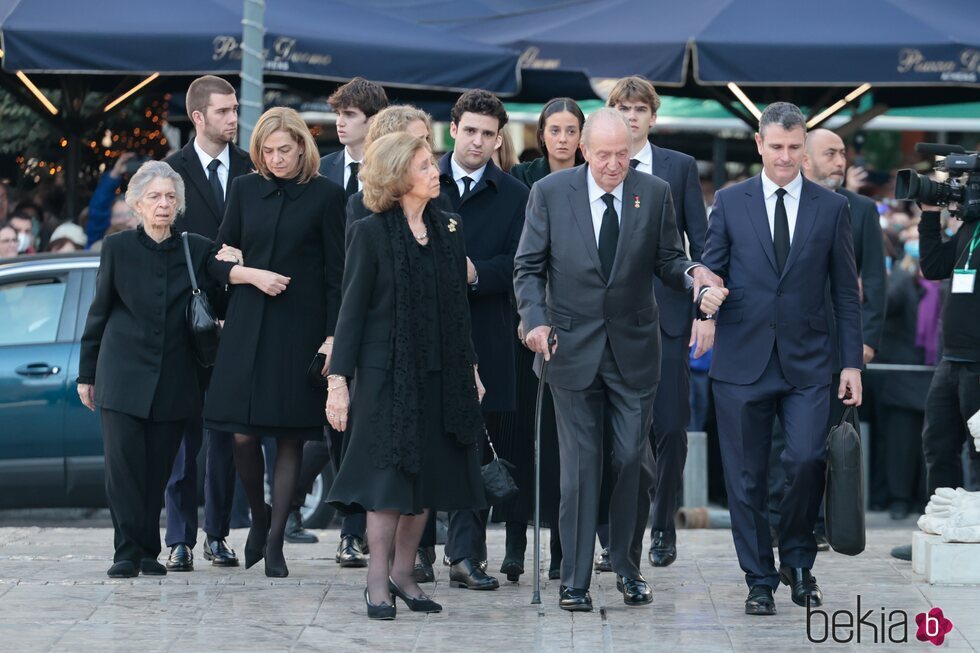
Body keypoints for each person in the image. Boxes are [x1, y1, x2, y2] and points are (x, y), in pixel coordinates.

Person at [514, 108, 718, 612]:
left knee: (632, 460)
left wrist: (696, 276)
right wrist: (535, 320)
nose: (613, 165)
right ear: (584, 151)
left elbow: (670, 258)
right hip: (570, 350)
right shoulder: (550, 193)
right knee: (580, 470)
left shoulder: (652, 193)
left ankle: (627, 566)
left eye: (621, 155)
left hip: (634, 350)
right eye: (603, 155)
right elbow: (528, 267)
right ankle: (575, 579)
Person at [699, 102, 863, 615]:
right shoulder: (729, 201)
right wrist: (703, 298)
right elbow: (710, 269)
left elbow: (845, 293)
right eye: (776, 147)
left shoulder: (832, 208)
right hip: (741, 359)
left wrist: (851, 362)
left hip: (809, 361)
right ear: (759, 145)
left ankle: (797, 559)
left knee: (808, 459)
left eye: (795, 147)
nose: (786, 156)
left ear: (804, 147)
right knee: (744, 477)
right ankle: (759, 579)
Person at [326, 132, 487, 619]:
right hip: (385, 377)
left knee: (426, 484)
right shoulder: (371, 231)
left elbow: (459, 309)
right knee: (387, 485)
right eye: (422, 166)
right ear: (397, 176)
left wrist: (473, 369)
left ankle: (404, 574)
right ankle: (377, 581)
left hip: (442, 373)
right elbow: (350, 313)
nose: (434, 171)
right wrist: (338, 382)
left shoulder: (450, 227)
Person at [75, 161, 240, 578]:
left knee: (158, 470)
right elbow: (98, 315)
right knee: (124, 469)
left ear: (178, 204)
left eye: (170, 197)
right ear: (137, 204)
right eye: (154, 197)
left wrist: (233, 267)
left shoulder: (196, 247)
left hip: (175, 378)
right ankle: (126, 552)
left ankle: (149, 551)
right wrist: (86, 374)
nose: (163, 204)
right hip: (121, 376)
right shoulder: (116, 249)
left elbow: (218, 303)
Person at [203, 107, 346, 578]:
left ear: (303, 147)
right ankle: (259, 514)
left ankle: (278, 535)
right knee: (241, 434)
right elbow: (217, 261)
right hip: (247, 324)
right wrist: (248, 274)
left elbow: (335, 275)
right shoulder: (243, 190)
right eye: (267, 150)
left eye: (285, 149)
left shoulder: (327, 194)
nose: (276, 157)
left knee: (289, 438)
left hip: (299, 329)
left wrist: (330, 337)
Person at [598, 75, 709, 571]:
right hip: (608, 322)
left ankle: (663, 525)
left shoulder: (678, 168)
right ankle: (615, 535)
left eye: (640, 108)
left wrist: (704, 306)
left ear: (653, 115)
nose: (631, 114)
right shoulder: (596, 163)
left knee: (669, 429)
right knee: (613, 436)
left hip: (668, 319)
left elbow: (698, 245)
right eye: (622, 106)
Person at [765, 128, 889, 547]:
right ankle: (777, 517)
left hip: (839, 344)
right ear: (806, 159)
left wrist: (864, 342)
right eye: (831, 153)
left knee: (828, 439)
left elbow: (872, 280)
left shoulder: (860, 209)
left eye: (843, 153)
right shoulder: (773, 203)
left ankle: (818, 522)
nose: (841, 161)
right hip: (782, 342)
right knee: (784, 440)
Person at [439, 89, 529, 591]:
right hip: (426, 332)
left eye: (488, 134)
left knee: (477, 445)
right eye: (469, 130)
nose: (477, 141)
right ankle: (413, 551)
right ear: (453, 129)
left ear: (499, 140)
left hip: (487, 333)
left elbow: (523, 262)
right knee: (425, 442)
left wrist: (476, 273)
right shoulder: (424, 178)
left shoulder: (516, 194)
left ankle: (466, 555)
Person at [162, 74, 252, 573]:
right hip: (185, 321)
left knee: (224, 435)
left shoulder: (250, 168)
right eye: (223, 111)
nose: (233, 118)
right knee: (182, 438)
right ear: (198, 117)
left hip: (236, 320)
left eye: (235, 109)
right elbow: (162, 243)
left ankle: (217, 534)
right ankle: (179, 538)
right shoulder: (168, 172)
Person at [496, 97, 586, 583]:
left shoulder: (593, 178)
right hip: (524, 324)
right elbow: (520, 256)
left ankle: (559, 546)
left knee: (558, 443)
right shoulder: (522, 181)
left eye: (571, 130)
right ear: (542, 134)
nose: (563, 138)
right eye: (555, 129)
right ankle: (514, 541)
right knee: (518, 434)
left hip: (573, 327)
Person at [301, 78, 387, 563]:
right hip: (327, 312)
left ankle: (364, 528)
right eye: (340, 112)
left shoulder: (390, 170)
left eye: (351, 114)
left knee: (369, 423)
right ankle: (350, 528)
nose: (341, 121)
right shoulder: (325, 170)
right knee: (336, 426)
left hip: (375, 316)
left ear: (372, 120)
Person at [890, 201, 980, 560]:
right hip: (953, 358)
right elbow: (933, 267)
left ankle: (974, 535)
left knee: (979, 452)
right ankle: (939, 530)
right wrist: (929, 216)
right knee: (938, 445)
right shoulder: (970, 228)